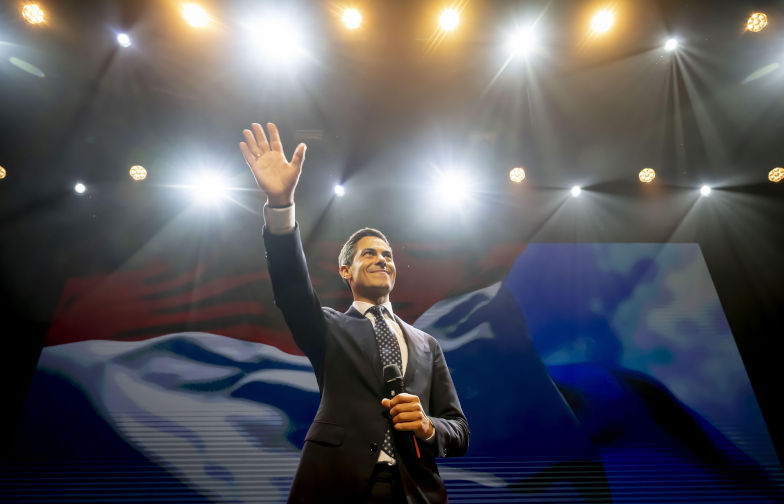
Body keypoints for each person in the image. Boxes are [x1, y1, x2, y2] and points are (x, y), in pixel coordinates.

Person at [239, 122, 470, 503]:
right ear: (346, 271)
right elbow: (292, 288)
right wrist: (281, 205)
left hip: (416, 491)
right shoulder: (327, 327)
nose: (382, 259)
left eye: (388, 255)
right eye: (370, 253)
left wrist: (428, 426)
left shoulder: (427, 344)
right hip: (336, 485)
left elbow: (459, 429)